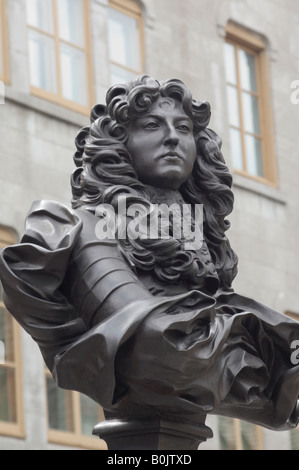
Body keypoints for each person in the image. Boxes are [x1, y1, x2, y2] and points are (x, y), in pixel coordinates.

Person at [1, 75, 299, 431]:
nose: (172, 136)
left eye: (184, 127)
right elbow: (159, 345)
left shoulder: (204, 243)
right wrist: (276, 347)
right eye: (151, 125)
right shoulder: (85, 230)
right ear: (119, 144)